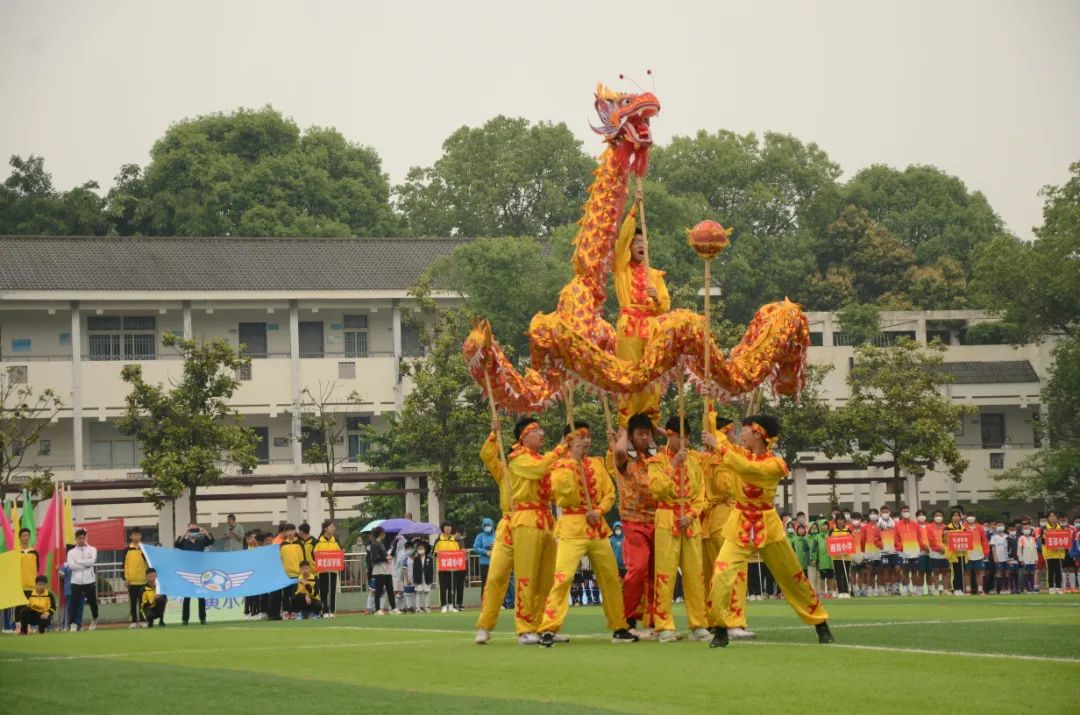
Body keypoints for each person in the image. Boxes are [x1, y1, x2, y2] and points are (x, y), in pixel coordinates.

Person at [704, 415, 832, 648]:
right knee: (721, 573)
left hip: (768, 525)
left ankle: (820, 623)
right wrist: (709, 400)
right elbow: (714, 431)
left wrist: (719, 447)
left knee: (793, 577)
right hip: (739, 524)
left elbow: (750, 470)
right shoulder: (738, 453)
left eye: (744, 430)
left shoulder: (774, 464)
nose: (740, 434)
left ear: (758, 434)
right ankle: (721, 628)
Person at [537, 421, 637, 646]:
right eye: (581, 436)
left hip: (598, 528)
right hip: (572, 527)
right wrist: (573, 466)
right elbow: (560, 494)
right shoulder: (560, 467)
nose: (587, 441)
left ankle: (619, 626)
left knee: (611, 578)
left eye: (588, 436)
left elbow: (610, 493)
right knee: (563, 578)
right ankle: (548, 628)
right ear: (569, 440)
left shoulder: (597, 463)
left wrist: (600, 510)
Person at [498, 416, 567, 643]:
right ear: (524, 436)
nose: (542, 434)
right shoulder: (517, 459)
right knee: (526, 576)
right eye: (537, 431)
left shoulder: (543, 459)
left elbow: (553, 483)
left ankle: (543, 626)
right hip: (526, 519)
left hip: (546, 519)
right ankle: (524, 627)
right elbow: (538, 470)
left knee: (547, 578)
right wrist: (560, 449)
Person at [648, 415, 709, 642]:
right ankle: (664, 625)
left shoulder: (694, 462)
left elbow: (700, 494)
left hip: (689, 522)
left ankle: (698, 623)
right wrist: (673, 465)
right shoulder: (657, 461)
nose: (684, 443)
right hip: (666, 518)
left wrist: (692, 514)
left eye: (687, 438)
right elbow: (657, 489)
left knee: (695, 574)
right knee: (665, 574)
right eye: (680, 438)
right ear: (670, 435)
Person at [613, 192, 670, 427]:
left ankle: (651, 423)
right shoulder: (621, 268)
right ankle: (627, 425)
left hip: (651, 326)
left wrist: (656, 300)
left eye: (643, 243)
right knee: (629, 374)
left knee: (652, 375)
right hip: (629, 327)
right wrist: (634, 210)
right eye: (637, 243)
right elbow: (622, 239)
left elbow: (665, 305)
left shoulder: (654, 275)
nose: (641, 246)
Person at [702, 414, 753, 638]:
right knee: (735, 571)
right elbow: (728, 488)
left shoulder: (709, 458)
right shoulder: (721, 460)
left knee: (716, 573)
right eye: (730, 431)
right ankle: (732, 621)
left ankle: (714, 620)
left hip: (712, 520)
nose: (735, 435)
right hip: (726, 517)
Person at [612, 414, 659, 639]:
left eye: (648, 433)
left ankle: (655, 621)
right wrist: (624, 432)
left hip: (657, 520)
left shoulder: (656, 457)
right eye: (640, 433)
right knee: (638, 569)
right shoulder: (625, 458)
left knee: (657, 573)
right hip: (633, 522)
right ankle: (628, 619)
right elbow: (619, 453)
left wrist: (656, 429)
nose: (645, 437)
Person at [474, 420, 516, 640]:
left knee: (535, 578)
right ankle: (485, 625)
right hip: (509, 525)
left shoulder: (540, 469)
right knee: (496, 575)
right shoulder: (504, 471)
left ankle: (540, 626)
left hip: (533, 526)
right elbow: (487, 456)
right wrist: (493, 435)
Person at [175, 522, 214, 624]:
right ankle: (185, 619)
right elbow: (176, 545)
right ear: (188, 530)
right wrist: (185, 533)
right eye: (191, 530)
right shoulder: (184, 542)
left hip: (199, 572)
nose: (193, 532)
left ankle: (203, 618)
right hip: (188, 572)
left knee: (201, 596)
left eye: (195, 530)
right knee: (187, 596)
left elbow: (211, 541)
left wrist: (204, 532)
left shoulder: (201, 541)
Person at [65, 528, 99, 631]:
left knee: (92, 602)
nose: (81, 540)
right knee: (74, 603)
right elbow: (72, 566)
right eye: (79, 538)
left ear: (85, 538)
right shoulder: (71, 552)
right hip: (76, 581)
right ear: (76, 539)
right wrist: (85, 564)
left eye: (83, 538)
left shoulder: (92, 549)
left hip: (89, 580)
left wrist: (78, 561)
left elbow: (91, 562)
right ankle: (73, 624)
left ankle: (95, 617)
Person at [314, 520, 342, 618]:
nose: (333, 528)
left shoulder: (335, 541)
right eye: (331, 527)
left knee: (332, 590)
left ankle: (332, 611)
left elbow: (340, 552)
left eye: (333, 527)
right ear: (325, 528)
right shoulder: (319, 541)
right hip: (323, 570)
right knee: (324, 591)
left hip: (333, 570)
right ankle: (325, 610)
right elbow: (315, 554)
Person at [123, 527, 149, 627]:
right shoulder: (127, 549)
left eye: (138, 534)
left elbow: (148, 563)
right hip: (131, 581)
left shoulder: (145, 548)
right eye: (134, 534)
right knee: (133, 602)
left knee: (142, 602)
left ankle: (143, 620)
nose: (136, 536)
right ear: (130, 536)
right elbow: (124, 564)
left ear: (141, 536)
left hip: (143, 579)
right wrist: (126, 578)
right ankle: (133, 621)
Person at [278, 523, 305, 619]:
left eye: (291, 530)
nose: (290, 533)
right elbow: (280, 559)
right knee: (286, 595)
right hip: (286, 575)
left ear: (295, 531)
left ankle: (295, 611)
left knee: (296, 595)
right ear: (285, 532)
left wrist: (302, 573)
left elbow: (303, 560)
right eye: (287, 531)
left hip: (297, 574)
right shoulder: (282, 545)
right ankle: (287, 612)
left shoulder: (300, 543)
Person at [434, 522, 461, 613]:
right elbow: (433, 553)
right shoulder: (438, 540)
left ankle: (451, 605)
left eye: (449, 526)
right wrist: (437, 554)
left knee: (452, 587)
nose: (448, 528)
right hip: (442, 568)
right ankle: (444, 605)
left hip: (452, 568)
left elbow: (458, 553)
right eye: (446, 527)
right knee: (443, 587)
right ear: (443, 528)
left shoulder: (455, 541)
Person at [368, 526, 395, 614]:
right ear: (380, 533)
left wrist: (387, 557)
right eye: (383, 532)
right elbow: (375, 559)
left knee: (390, 588)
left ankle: (393, 608)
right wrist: (386, 558)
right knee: (379, 590)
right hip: (379, 569)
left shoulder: (381, 544)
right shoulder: (374, 544)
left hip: (386, 569)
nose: (384, 534)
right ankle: (377, 609)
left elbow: (384, 555)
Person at [15, 528, 38, 628]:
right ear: (20, 538)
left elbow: (37, 567)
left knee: (29, 606)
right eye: (23, 536)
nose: (25, 538)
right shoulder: (16, 552)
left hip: (31, 584)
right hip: (19, 584)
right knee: (18, 606)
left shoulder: (34, 552)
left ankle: (28, 626)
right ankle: (18, 626)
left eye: (27, 535)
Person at [943, 509, 970, 595]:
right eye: (954, 515)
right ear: (951, 517)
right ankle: (955, 588)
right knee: (954, 572)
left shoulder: (963, 528)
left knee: (961, 572)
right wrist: (945, 535)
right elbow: (944, 541)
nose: (956, 517)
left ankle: (961, 588)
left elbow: (967, 540)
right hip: (952, 554)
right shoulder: (948, 528)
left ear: (960, 517)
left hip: (962, 553)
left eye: (958, 515)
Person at [877, 506, 900, 595]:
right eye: (883, 512)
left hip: (895, 551)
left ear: (889, 512)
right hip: (884, 552)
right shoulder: (878, 525)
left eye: (887, 511)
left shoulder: (894, 524)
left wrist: (898, 546)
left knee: (897, 569)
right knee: (887, 570)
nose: (885, 513)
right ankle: (889, 588)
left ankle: (896, 588)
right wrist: (881, 546)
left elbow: (899, 536)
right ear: (880, 513)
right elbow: (876, 539)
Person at [827, 515, 852, 597]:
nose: (840, 521)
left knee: (846, 573)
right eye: (839, 519)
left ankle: (846, 591)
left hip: (847, 556)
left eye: (842, 519)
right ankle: (840, 592)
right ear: (836, 521)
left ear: (844, 520)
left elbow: (852, 541)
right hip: (836, 556)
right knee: (838, 574)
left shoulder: (848, 530)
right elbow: (828, 542)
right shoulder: (832, 531)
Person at [964, 512, 989, 595]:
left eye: (972, 516)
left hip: (978, 553)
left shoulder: (980, 527)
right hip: (966, 553)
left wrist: (986, 551)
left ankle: (980, 589)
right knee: (967, 572)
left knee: (979, 572)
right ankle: (968, 590)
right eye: (969, 516)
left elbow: (984, 540)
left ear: (975, 517)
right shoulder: (963, 527)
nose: (970, 518)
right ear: (966, 517)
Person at [1041, 511, 1066, 594]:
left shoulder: (1061, 528)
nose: (1052, 518)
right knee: (1050, 571)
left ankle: (1059, 587)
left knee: (1058, 571)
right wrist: (1044, 536)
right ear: (1048, 518)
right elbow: (1042, 541)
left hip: (1059, 553)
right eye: (1050, 516)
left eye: (1054, 516)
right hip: (1049, 553)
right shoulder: (1044, 528)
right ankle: (1051, 587)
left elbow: (1065, 540)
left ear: (1057, 517)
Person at [472, 517, 496, 597]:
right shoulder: (480, 536)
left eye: (489, 525)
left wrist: (495, 549)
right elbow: (475, 547)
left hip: (495, 563)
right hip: (484, 563)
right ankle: (484, 601)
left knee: (495, 582)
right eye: (485, 525)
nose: (487, 527)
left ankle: (498, 602)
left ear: (492, 525)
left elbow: (502, 546)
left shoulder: (497, 535)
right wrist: (485, 552)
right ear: (483, 526)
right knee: (485, 582)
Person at [861, 508, 883, 595]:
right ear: (869, 516)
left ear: (878, 515)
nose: (873, 515)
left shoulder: (881, 525)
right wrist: (864, 551)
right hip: (869, 552)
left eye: (875, 513)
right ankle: (870, 589)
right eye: (871, 513)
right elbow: (862, 540)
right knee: (870, 571)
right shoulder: (865, 526)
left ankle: (880, 589)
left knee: (879, 571)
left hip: (879, 552)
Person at [412, 539, 435, 613]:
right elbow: (414, 570)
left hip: (427, 578)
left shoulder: (429, 558)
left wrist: (431, 579)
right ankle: (418, 608)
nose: (420, 550)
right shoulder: (416, 559)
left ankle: (426, 607)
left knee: (426, 592)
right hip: (418, 577)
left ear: (425, 549)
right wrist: (414, 579)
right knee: (418, 592)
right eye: (419, 548)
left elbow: (431, 570)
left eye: (422, 548)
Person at [1017, 523, 1039, 592]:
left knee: (1032, 574)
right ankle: (1027, 588)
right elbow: (1019, 549)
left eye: (1028, 528)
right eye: (1025, 529)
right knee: (1025, 574)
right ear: (1022, 530)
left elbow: (1035, 549)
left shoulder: (1033, 538)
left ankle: (1032, 587)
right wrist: (1021, 559)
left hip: (1032, 559)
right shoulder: (1021, 538)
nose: (1027, 530)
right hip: (1025, 559)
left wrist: (1036, 559)